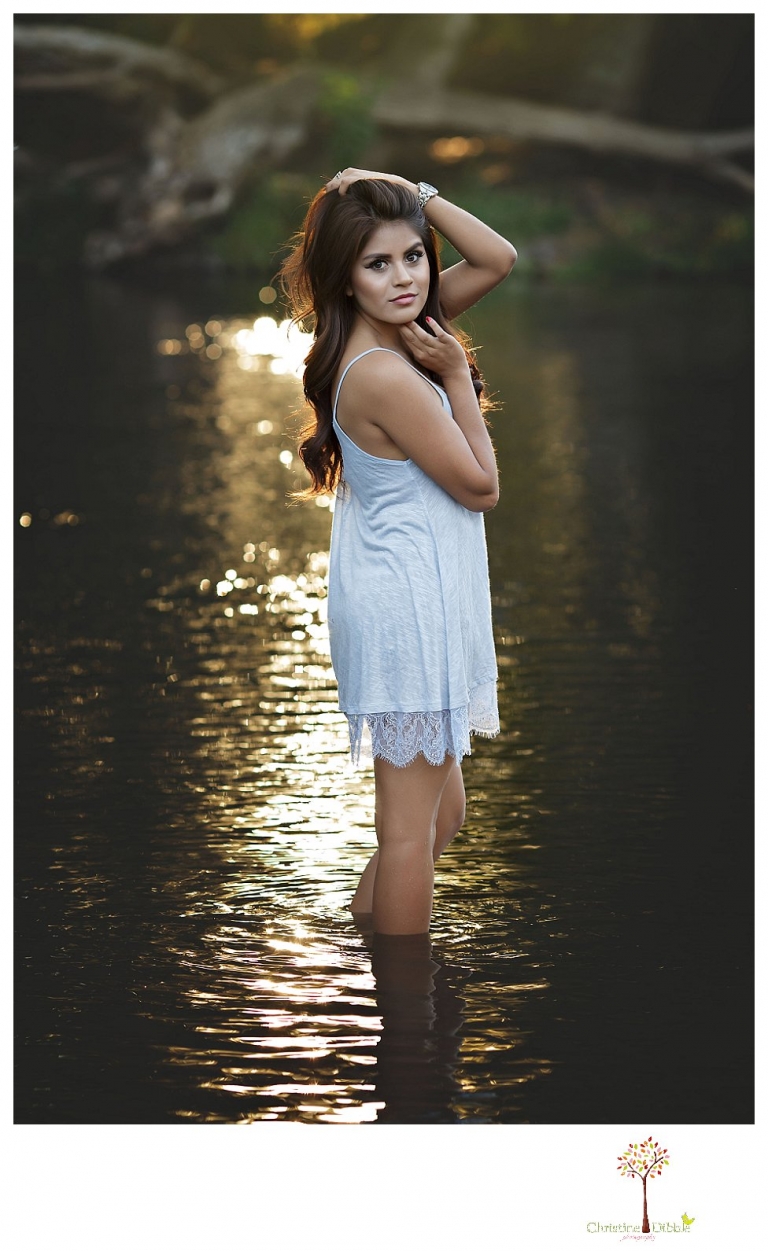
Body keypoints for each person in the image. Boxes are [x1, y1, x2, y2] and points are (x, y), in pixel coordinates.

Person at [280, 167, 516, 936]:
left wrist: (408, 189)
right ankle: (407, 999)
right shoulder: (389, 370)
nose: (405, 278)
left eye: (414, 255)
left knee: (441, 815)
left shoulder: (395, 330)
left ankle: (362, 943)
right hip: (406, 609)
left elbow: (498, 258)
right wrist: (453, 377)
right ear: (346, 278)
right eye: (377, 264)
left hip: (410, 593)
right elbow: (481, 486)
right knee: (411, 831)